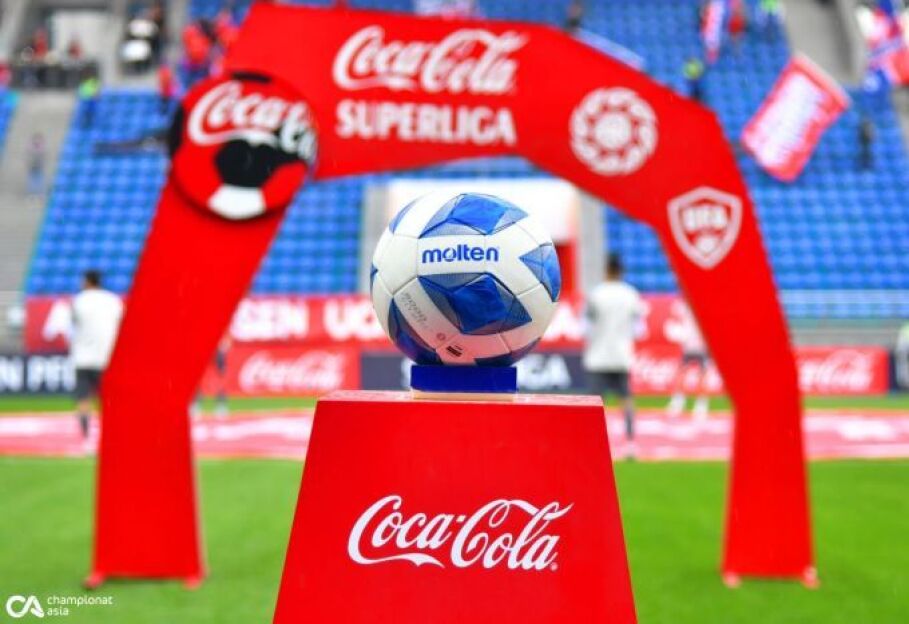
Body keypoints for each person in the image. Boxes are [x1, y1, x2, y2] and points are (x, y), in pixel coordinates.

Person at [583, 254, 645, 458]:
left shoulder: (597, 294)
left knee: (594, 403)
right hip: (621, 355)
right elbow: (638, 328)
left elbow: (587, 325)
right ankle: (630, 444)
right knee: (626, 399)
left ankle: (590, 443)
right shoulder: (631, 294)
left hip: (598, 356)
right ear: (621, 271)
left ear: (606, 270)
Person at [68, 271, 124, 444]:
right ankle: (110, 435)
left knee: (83, 398)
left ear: (87, 282)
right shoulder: (113, 301)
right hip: (106, 357)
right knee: (107, 400)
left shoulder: (79, 300)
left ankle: (86, 437)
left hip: (83, 358)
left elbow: (74, 324)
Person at [665, 301, 710, 420]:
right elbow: (676, 321)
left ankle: (701, 405)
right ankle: (678, 403)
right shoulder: (684, 306)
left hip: (702, 347)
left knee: (702, 376)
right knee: (682, 373)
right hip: (689, 346)